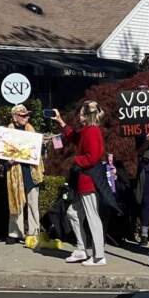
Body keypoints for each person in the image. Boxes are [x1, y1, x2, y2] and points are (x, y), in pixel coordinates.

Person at [64, 100, 108, 266]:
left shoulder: (92, 131)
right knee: (73, 213)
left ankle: (99, 256)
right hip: (84, 181)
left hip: (88, 180)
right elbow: (76, 138)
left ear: (87, 116)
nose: (78, 116)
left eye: (81, 113)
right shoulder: (87, 130)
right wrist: (61, 122)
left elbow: (93, 156)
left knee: (92, 217)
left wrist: (74, 160)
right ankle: (82, 249)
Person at [0, 104, 45, 245]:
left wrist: (41, 145)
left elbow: (38, 151)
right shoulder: (7, 133)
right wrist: (8, 161)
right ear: (15, 117)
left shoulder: (32, 130)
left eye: (27, 115)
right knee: (16, 202)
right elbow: (0, 155)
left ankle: (33, 232)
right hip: (15, 171)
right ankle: (14, 232)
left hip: (31, 171)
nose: (26, 117)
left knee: (33, 203)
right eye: (23, 115)